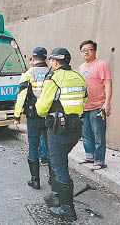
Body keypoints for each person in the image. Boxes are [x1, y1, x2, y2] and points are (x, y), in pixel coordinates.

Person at [36, 47, 87, 221]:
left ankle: (67, 209)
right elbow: (84, 99)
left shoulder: (54, 78)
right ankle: (55, 195)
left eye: (51, 61)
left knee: (59, 165)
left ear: (55, 62)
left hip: (58, 129)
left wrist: (40, 108)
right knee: (58, 160)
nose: (50, 63)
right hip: (75, 128)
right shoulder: (79, 77)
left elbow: (42, 108)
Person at [14, 47, 50, 190]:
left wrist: (17, 117)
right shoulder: (52, 72)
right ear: (46, 59)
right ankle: (53, 180)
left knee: (33, 147)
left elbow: (21, 97)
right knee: (50, 147)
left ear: (33, 59)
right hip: (49, 115)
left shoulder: (28, 74)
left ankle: (35, 181)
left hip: (33, 116)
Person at [78, 40, 112, 170]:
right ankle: (90, 156)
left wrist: (107, 103)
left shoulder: (101, 65)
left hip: (98, 106)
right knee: (86, 133)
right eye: (83, 50)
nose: (86, 52)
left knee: (98, 135)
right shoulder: (81, 67)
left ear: (95, 51)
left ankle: (99, 160)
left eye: (89, 49)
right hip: (84, 106)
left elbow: (108, 84)